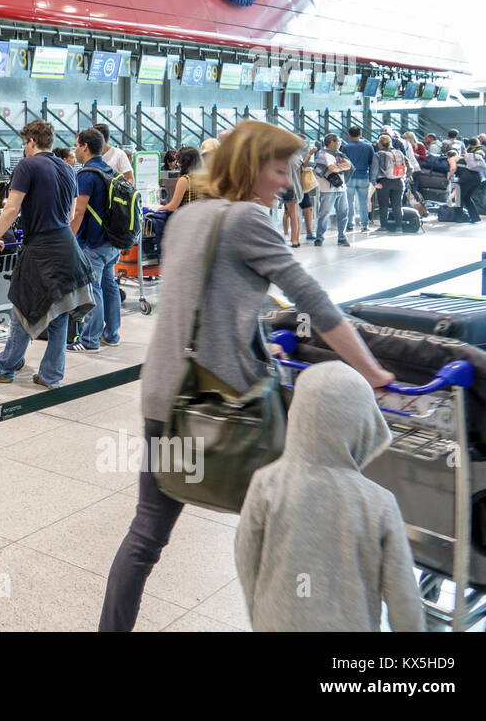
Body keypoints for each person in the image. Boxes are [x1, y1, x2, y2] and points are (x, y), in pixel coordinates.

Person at [98, 122, 394, 631]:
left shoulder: (190, 216)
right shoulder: (248, 221)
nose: (287, 181)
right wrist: (371, 370)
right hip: (230, 406)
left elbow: (205, 297)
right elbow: (314, 300)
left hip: (166, 399)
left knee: (146, 534)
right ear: (250, 167)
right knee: (292, 520)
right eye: (279, 170)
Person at [235, 361, 424, 632]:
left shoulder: (267, 482)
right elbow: (403, 594)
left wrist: (256, 607)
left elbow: (245, 552)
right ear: (363, 425)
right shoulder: (379, 504)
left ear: (296, 415)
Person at [0, 120, 93, 388]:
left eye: (24, 143)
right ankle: (51, 376)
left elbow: (11, 209)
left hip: (41, 248)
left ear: (31, 141)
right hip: (66, 246)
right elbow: (71, 212)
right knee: (60, 310)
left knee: (22, 307)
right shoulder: (67, 167)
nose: (24, 148)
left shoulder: (27, 166)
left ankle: (5, 367)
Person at [70, 127, 120, 353]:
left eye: (76, 145)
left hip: (94, 243)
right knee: (110, 287)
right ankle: (111, 334)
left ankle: (90, 340)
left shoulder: (87, 174)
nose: (75, 150)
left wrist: (69, 238)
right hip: (112, 241)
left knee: (93, 289)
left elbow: (78, 212)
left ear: (85, 147)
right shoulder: (110, 170)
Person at [313, 133, 351, 247]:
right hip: (327, 189)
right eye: (338, 141)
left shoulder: (339, 153)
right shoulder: (322, 154)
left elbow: (348, 165)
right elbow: (331, 168)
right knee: (324, 213)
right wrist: (339, 167)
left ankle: (342, 237)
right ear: (331, 142)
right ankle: (319, 237)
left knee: (343, 213)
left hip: (341, 188)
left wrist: (337, 168)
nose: (339, 143)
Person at [339, 125, 375, 233]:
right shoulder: (368, 146)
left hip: (349, 177)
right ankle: (364, 225)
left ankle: (350, 225)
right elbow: (372, 162)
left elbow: (342, 162)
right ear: (360, 134)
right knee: (363, 202)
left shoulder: (345, 147)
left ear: (349, 135)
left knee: (349, 202)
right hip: (364, 176)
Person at [372, 134, 406, 231]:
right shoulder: (398, 152)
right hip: (399, 181)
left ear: (380, 144)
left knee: (383, 205)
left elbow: (374, 170)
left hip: (384, 182)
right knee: (397, 205)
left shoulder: (378, 154)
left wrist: (374, 183)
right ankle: (399, 227)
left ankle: (383, 226)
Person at [158, 146, 201, 214]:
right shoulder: (201, 178)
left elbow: (172, 206)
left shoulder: (185, 180)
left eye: (179, 160)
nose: (177, 164)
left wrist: (156, 209)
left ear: (185, 162)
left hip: (186, 218)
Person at [458, 137, 486, 223]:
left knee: (459, 197)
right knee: (467, 197)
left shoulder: (469, 157)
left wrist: (466, 147)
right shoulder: (481, 162)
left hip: (466, 178)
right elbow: (485, 174)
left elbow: (463, 153)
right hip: (477, 179)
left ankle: (459, 217)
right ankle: (475, 217)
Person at [298, 136, 318, 242]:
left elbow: (301, 166)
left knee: (308, 208)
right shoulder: (291, 154)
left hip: (300, 186)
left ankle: (309, 232)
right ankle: (289, 235)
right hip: (293, 186)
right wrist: (310, 154)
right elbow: (300, 166)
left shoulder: (298, 153)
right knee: (290, 211)